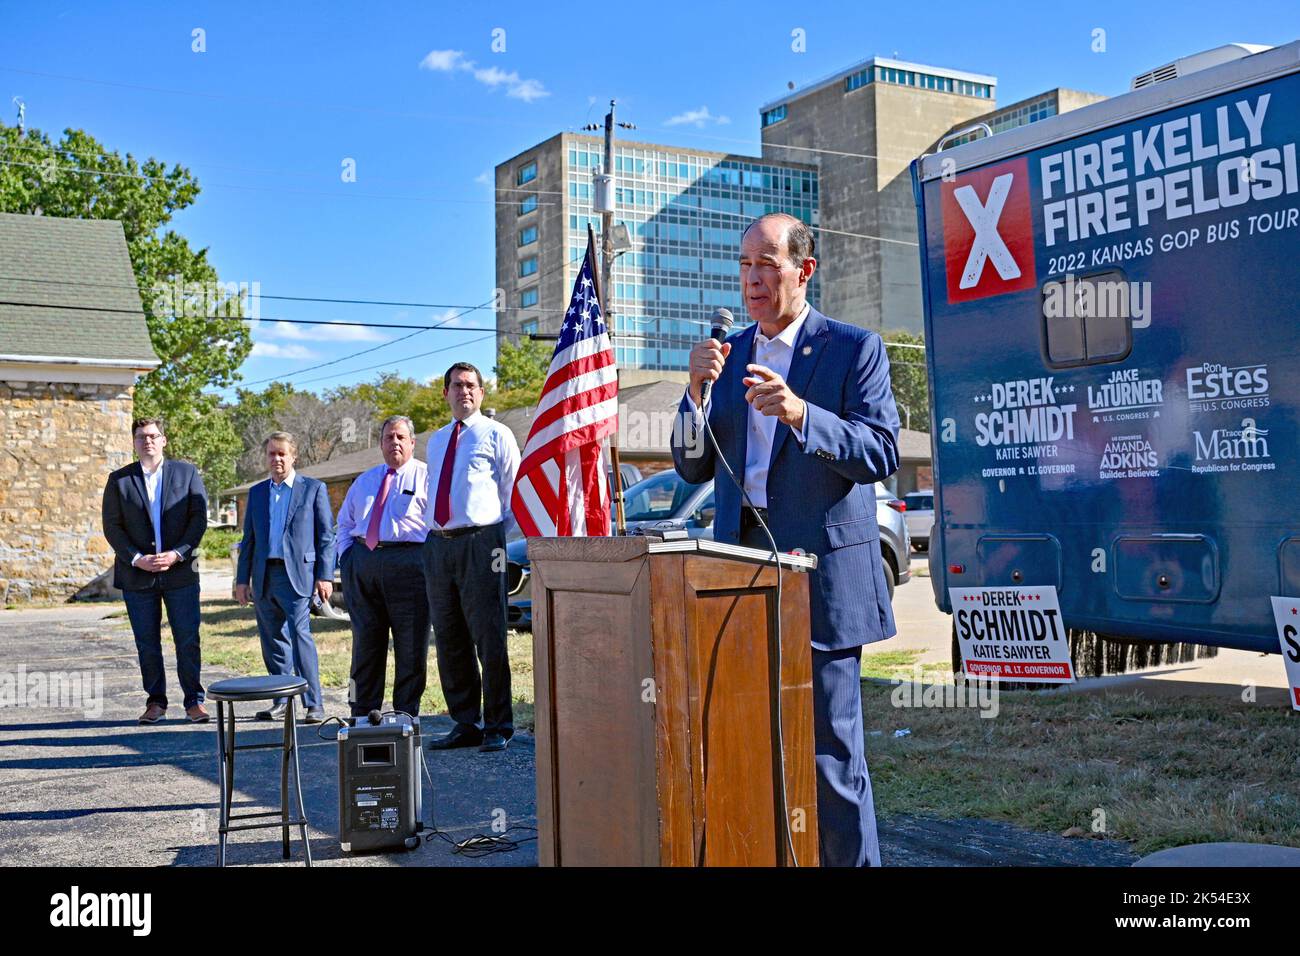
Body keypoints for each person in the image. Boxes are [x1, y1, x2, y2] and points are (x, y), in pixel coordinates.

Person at [671, 213, 900, 867]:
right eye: (745, 265)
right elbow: (692, 465)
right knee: (746, 745)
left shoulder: (855, 348)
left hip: (820, 579)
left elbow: (879, 451)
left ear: (804, 270)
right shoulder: (729, 353)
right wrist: (693, 395)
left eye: (767, 264)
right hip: (734, 579)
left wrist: (801, 413)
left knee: (830, 756)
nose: (753, 278)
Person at [421, 362, 521, 754]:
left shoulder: (497, 434)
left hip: (482, 543)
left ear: (481, 394)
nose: (464, 391)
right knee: (449, 636)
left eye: (471, 385)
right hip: (438, 544)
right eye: (456, 385)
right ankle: (466, 722)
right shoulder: (436, 440)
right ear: (445, 393)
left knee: (488, 635)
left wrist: (492, 536)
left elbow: (513, 494)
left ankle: (499, 724)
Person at [101, 417, 211, 724]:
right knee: (147, 642)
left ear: (163, 440)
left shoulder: (186, 473)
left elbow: (198, 519)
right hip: (137, 575)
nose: (147, 441)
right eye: (140, 437)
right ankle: (156, 702)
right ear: (134, 443)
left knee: (187, 638)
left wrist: (177, 554)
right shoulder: (119, 480)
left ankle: (193, 701)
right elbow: (112, 527)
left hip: (180, 574)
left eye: (153, 436)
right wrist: (136, 558)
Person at [234, 431, 335, 723]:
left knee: (300, 637)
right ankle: (281, 700)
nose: (276, 459)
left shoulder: (312, 489)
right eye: (271, 454)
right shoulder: (257, 493)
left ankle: (314, 704)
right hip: (264, 575)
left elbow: (326, 535)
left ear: (293, 457)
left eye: (282, 454)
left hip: (298, 576)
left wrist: (325, 575)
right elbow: (248, 540)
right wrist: (242, 581)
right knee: (273, 642)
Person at [336, 415, 431, 721]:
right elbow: (345, 523)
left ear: (413, 442)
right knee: (365, 644)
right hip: (363, 564)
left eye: (401, 437)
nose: (395, 443)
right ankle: (362, 713)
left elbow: (437, 526)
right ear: (380, 443)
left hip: (409, 566)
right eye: (389, 437)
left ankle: (405, 714)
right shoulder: (365, 480)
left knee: (410, 645)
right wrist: (347, 559)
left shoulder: (427, 477)